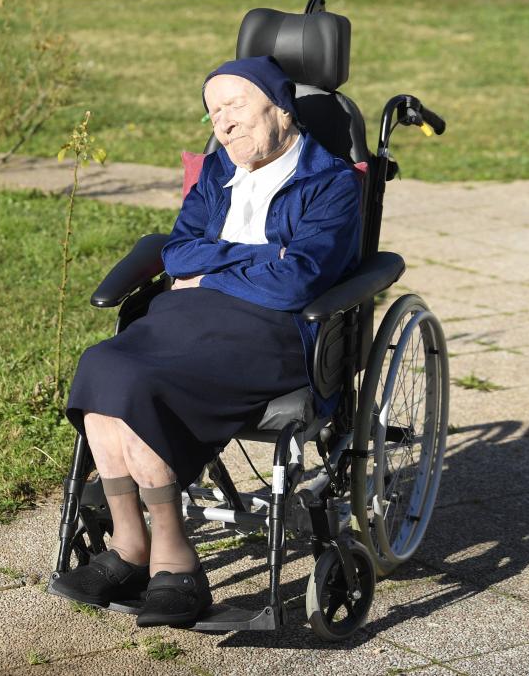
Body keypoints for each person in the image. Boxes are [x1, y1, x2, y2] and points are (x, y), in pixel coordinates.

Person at [47, 55, 362, 627]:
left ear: (280, 107)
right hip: (185, 314)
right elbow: (177, 251)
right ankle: (129, 547)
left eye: (235, 106)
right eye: (213, 113)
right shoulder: (218, 174)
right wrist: (260, 257)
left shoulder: (332, 181)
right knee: (101, 367)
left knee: (138, 381)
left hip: (270, 332)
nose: (224, 123)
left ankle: (175, 560)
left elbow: (299, 279)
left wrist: (216, 270)